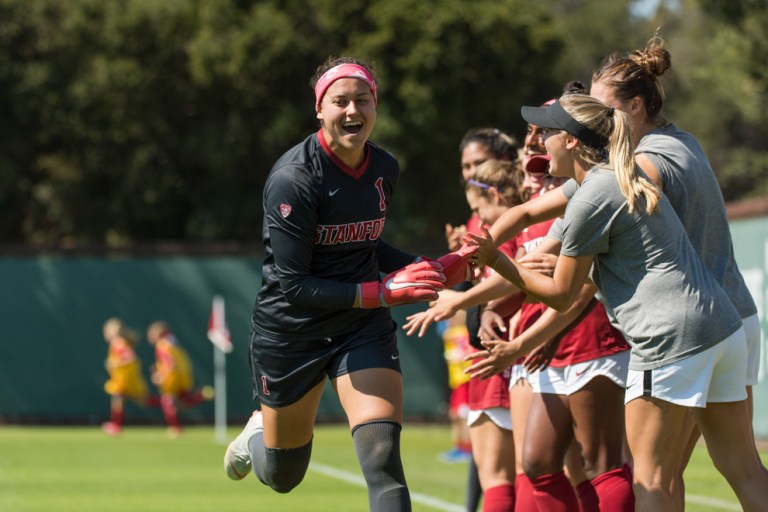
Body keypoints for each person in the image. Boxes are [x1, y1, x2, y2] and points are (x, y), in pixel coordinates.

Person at [467, 93, 768, 511]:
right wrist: (470, 253)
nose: (537, 142)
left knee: (652, 480)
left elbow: (561, 293)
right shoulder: (608, 176)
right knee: (746, 470)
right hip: (722, 328)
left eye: (547, 133)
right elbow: (524, 215)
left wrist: (496, 260)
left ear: (571, 141)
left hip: (670, 340)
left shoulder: (592, 197)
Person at [222, 56, 456, 512]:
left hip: (360, 326)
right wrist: (384, 292)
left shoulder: (384, 168)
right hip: (293, 331)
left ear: (376, 105)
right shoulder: (293, 179)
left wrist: (428, 267)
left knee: (383, 457)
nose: (352, 111)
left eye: (362, 100)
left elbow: (368, 243)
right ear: (319, 109)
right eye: (340, 101)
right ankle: (257, 435)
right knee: (283, 476)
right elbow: (294, 285)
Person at [588, 37, 762, 509]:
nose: (597, 122)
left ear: (637, 106)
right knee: (733, 470)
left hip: (693, 328)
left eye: (604, 110)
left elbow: (604, 198)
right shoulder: (683, 140)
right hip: (731, 319)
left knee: (656, 477)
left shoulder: (647, 160)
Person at [146, 321, 214, 438]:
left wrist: (160, 376)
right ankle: (201, 394)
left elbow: (170, 363)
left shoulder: (162, 345)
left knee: (167, 401)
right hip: (183, 376)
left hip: (173, 378)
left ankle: (176, 428)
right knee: (184, 402)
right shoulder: (172, 342)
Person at [101, 317, 155, 436]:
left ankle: (116, 426)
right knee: (139, 401)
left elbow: (130, 357)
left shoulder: (118, 343)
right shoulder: (118, 342)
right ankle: (116, 425)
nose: (105, 334)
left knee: (124, 400)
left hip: (125, 380)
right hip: (125, 379)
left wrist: (116, 363)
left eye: (107, 331)